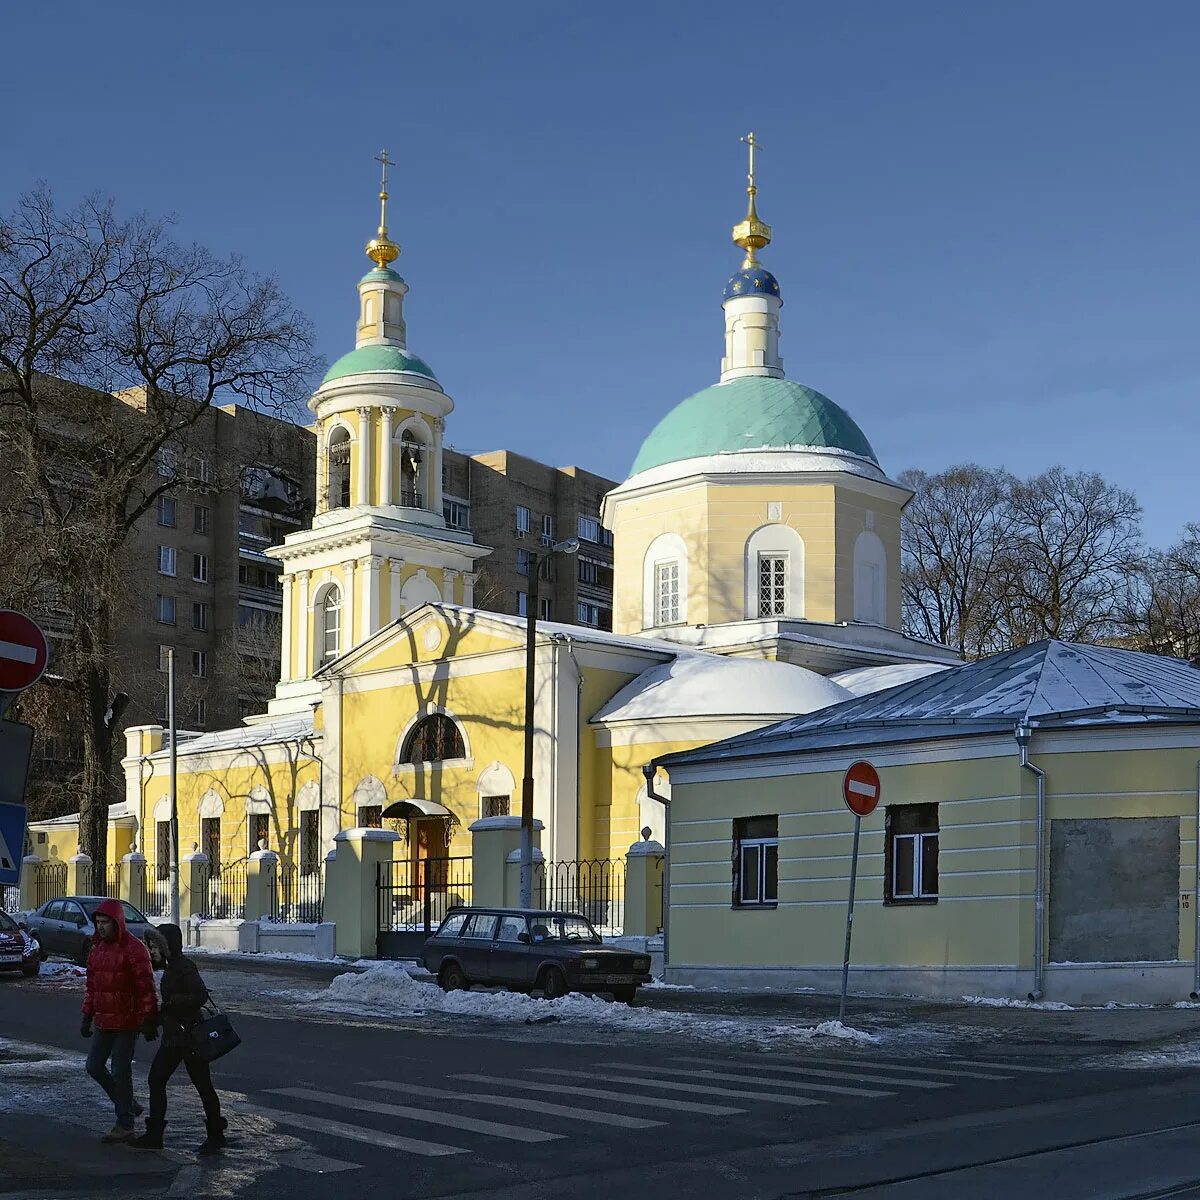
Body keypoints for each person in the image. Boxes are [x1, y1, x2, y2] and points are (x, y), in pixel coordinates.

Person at [131, 922, 227, 1154]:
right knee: (157, 1080)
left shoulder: (184, 966)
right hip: (175, 1038)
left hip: (190, 1038)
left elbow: (200, 994)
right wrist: (152, 1023)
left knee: (203, 1086)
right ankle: (155, 1135)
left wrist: (174, 1003)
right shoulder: (171, 967)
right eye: (150, 945)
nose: (150, 950)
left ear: (167, 945)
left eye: (154, 945)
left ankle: (216, 1135)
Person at [81, 899, 159, 1143]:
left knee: (119, 1070)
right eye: (98, 923)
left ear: (117, 923)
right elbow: (92, 987)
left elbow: (146, 987)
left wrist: (148, 1019)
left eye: (105, 922)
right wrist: (87, 1016)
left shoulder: (134, 949)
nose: (101, 927)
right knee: (94, 1066)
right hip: (104, 1020)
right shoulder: (97, 949)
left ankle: (124, 1124)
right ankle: (127, 1104)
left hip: (128, 1021)